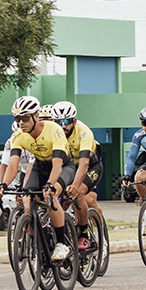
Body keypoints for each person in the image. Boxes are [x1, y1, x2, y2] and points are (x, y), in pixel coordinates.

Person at [0, 95, 77, 261]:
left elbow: (57, 165)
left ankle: (62, 243)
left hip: (63, 166)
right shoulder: (18, 136)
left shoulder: (54, 130)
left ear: (36, 116)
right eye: (17, 119)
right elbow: (13, 165)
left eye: (25, 118)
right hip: (40, 167)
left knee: (50, 195)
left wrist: (50, 185)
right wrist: (2, 184)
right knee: (27, 198)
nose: (21, 123)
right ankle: (37, 241)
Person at [53, 100, 102, 250]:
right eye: (59, 122)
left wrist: (74, 186)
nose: (63, 126)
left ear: (74, 121)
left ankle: (84, 235)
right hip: (69, 167)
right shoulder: (53, 133)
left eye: (66, 122)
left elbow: (84, 164)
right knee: (59, 197)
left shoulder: (84, 132)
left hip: (90, 166)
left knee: (78, 193)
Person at [122, 107, 146, 216]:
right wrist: (127, 175)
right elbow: (132, 157)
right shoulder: (138, 136)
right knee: (139, 178)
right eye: (144, 123)